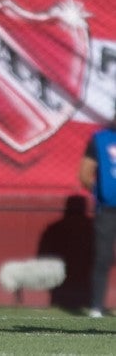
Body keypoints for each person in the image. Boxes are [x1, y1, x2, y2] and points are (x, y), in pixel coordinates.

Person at [78, 106, 116, 318]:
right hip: (108, 210)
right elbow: (84, 172)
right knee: (103, 256)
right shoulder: (100, 140)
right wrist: (99, 192)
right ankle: (97, 307)